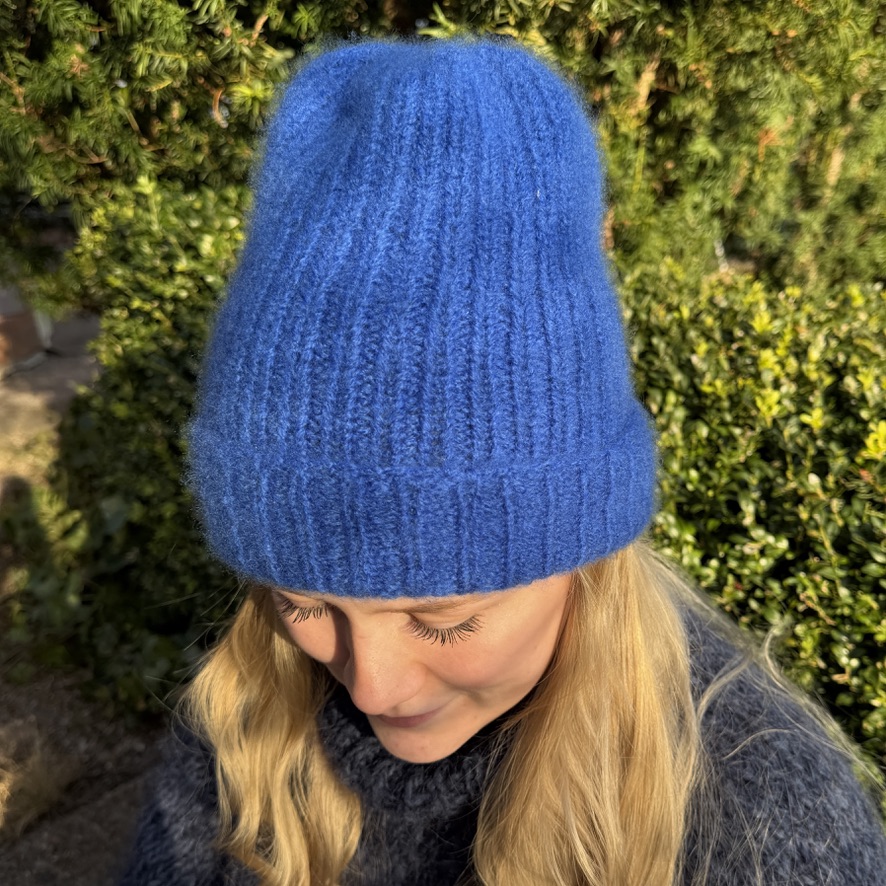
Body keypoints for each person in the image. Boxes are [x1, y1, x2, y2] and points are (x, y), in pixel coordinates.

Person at [118, 36, 886, 886]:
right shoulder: (249, 714)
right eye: (303, 601)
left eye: (443, 618)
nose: (372, 688)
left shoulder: (765, 820)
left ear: (582, 549)